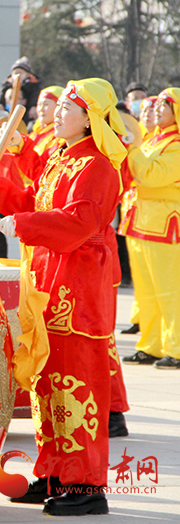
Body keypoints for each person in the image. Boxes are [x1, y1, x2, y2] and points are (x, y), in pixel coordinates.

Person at [0, 78, 127, 515]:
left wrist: (22, 224)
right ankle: (54, 473)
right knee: (46, 384)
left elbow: (77, 223)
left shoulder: (98, 167)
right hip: (46, 284)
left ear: (90, 119)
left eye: (66, 108)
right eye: (57, 106)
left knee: (76, 386)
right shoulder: (62, 157)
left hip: (78, 289)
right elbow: (33, 200)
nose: (57, 113)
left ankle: (85, 486)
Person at [120, 88, 180, 369]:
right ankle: (150, 345)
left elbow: (151, 175)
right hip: (140, 221)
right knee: (145, 291)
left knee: (169, 290)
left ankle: (176, 347)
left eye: (165, 105)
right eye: (157, 104)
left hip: (164, 223)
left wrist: (132, 148)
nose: (157, 108)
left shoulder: (176, 144)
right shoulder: (152, 140)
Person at [0, 57, 42, 123]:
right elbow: (1, 95)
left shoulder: (33, 84)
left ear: (28, 75)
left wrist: (33, 106)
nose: (18, 75)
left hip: (26, 110)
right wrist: (0, 104)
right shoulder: (7, 84)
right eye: (15, 73)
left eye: (21, 73)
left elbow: (35, 96)